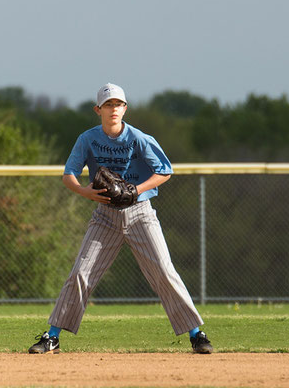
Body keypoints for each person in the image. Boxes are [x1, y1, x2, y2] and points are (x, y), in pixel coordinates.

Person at [28, 83, 213, 355]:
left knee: (163, 269)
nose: (113, 109)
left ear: (125, 108)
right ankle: (52, 337)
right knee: (81, 273)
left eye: (118, 104)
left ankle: (196, 334)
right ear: (98, 110)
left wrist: (135, 189)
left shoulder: (138, 138)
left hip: (140, 213)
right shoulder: (88, 139)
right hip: (105, 216)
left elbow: (165, 170)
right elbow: (69, 174)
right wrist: (84, 191)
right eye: (108, 105)